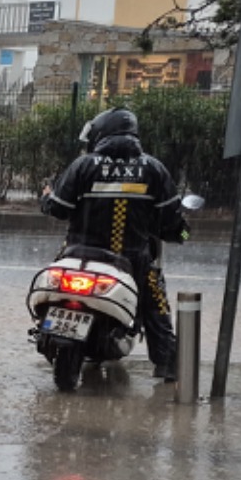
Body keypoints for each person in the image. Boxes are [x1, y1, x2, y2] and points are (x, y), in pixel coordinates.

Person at [40, 107, 190, 382]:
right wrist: (182, 234)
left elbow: (58, 209)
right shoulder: (153, 168)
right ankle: (168, 366)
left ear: (102, 133)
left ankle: (46, 331)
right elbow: (173, 222)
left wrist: (46, 196)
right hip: (132, 260)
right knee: (156, 304)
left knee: (53, 284)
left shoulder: (83, 165)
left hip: (79, 255)